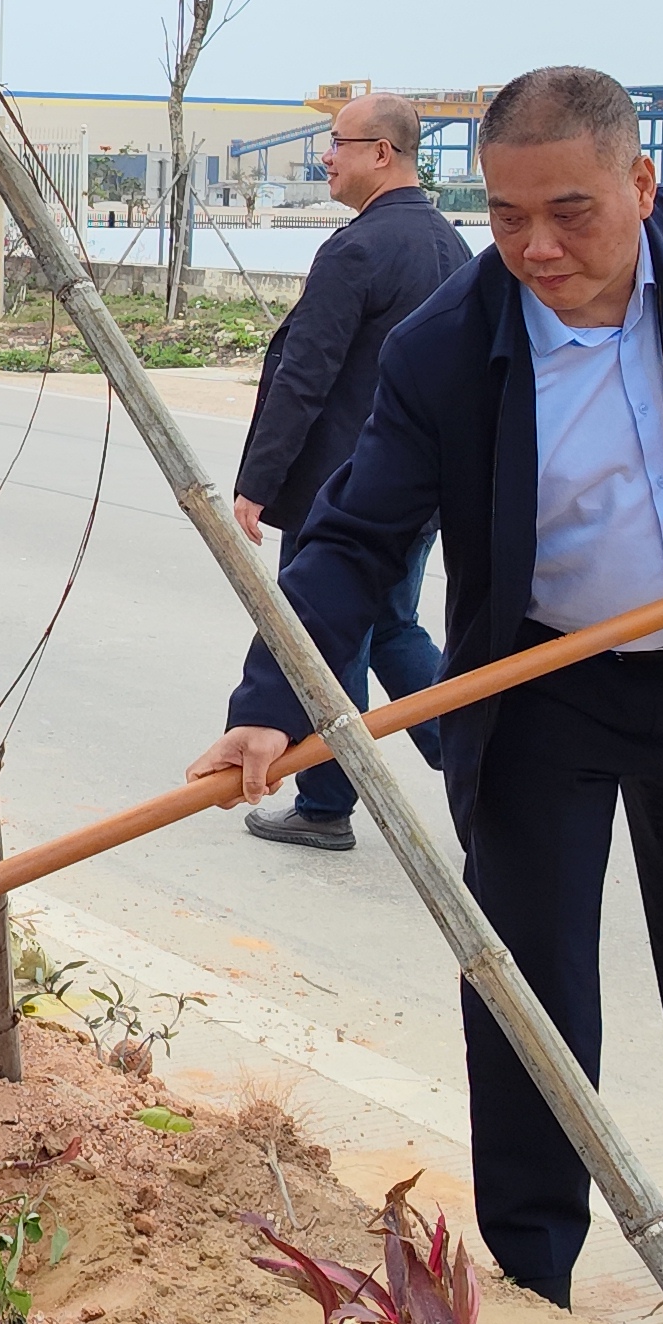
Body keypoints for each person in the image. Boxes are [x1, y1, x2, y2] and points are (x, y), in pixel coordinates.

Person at [189, 64, 663, 1316]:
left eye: (570, 213)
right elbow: (348, 540)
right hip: (535, 685)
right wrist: (269, 704)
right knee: (526, 986)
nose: (536, 247)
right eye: (506, 216)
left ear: (641, 185)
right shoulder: (452, 340)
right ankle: (536, 1252)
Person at [231, 92, 474, 850]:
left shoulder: (357, 250)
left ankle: (334, 798)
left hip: (342, 493)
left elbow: (307, 374)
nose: (325, 156)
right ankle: (465, 756)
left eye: (337, 142)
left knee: (322, 636)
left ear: (382, 153)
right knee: (390, 625)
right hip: (421, 485)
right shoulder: (452, 248)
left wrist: (258, 483)